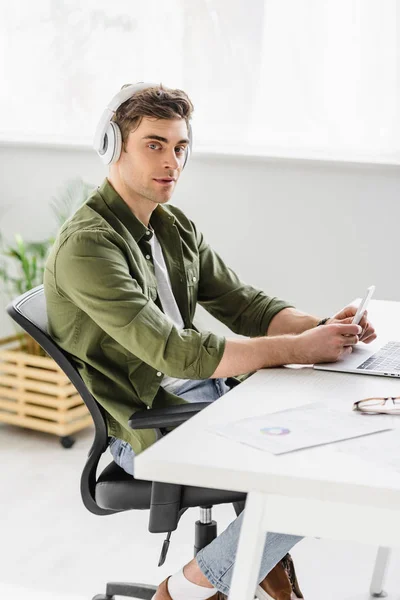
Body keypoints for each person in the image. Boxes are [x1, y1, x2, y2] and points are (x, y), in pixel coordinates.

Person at [44, 82, 376, 600]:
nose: (172, 161)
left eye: (180, 147)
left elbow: (245, 305)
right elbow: (174, 353)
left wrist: (323, 328)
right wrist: (300, 349)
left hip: (205, 394)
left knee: (334, 435)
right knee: (313, 472)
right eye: (154, 144)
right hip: (148, 422)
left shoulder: (170, 225)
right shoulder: (88, 246)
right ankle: (185, 589)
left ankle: (245, 570)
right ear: (114, 146)